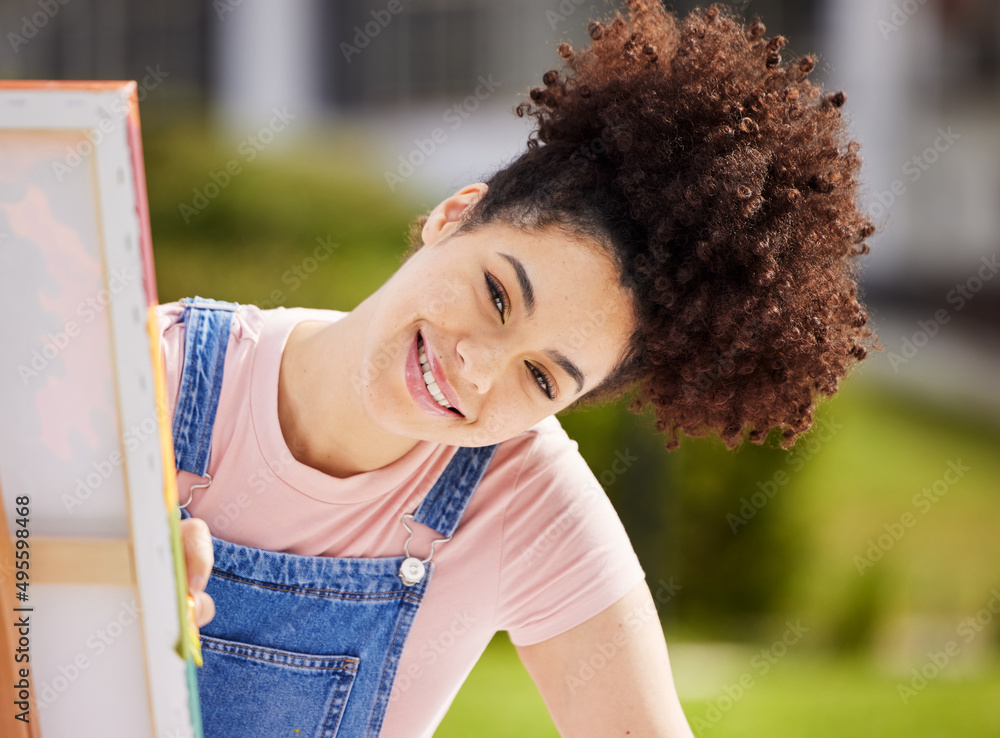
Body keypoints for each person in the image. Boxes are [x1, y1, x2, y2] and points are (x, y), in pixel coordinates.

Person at [166, 1, 876, 736]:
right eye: (498, 294)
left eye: (541, 379)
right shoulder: (148, 375)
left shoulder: (524, 501)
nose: (476, 369)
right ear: (454, 214)